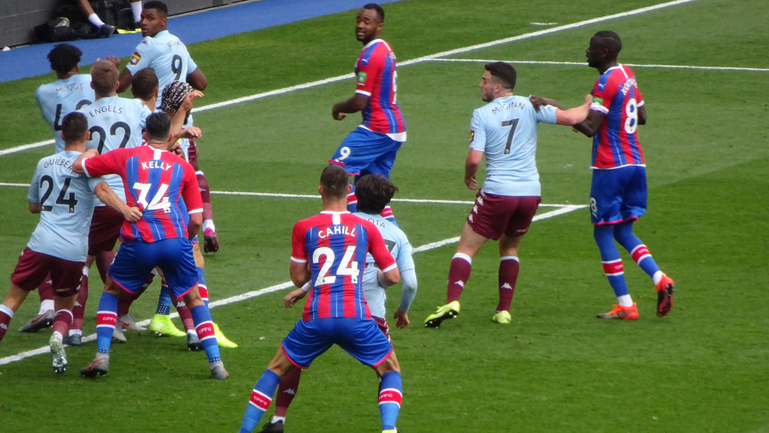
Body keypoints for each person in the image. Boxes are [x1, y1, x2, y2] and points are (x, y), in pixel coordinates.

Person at [423, 62, 592, 328]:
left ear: (497, 86)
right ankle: (503, 310)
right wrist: (589, 101)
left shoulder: (481, 113)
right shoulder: (531, 105)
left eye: (485, 80)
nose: (481, 84)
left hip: (498, 191)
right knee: (510, 247)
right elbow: (573, 117)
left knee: (466, 248)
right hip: (530, 193)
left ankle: (452, 300)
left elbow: (474, 159)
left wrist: (468, 175)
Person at [237, 165, 403, 433]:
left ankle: (246, 430)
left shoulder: (304, 227)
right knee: (390, 369)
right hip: (356, 316)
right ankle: (388, 429)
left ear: (320, 190)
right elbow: (393, 276)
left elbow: (298, 279)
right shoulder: (365, 228)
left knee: (276, 369)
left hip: (317, 316)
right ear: (349, 191)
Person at [73, 112, 228, 380]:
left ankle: (101, 356)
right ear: (169, 136)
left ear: (144, 134)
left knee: (111, 289)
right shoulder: (184, 167)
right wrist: (185, 240)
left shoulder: (127, 156)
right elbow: (196, 219)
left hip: (139, 241)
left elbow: (81, 168)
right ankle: (216, 364)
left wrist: (87, 152)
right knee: (193, 298)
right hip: (175, 241)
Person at [0, 112, 135, 375]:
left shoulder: (44, 162)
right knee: (66, 303)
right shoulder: (89, 166)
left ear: (62, 135)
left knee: (12, 300)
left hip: (41, 243)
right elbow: (103, 192)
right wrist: (125, 209)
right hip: (73, 250)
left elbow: (32, 206)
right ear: (87, 136)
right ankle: (58, 338)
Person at [570, 31, 674, 319]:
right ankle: (660, 279)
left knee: (602, 232)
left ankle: (626, 305)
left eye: (591, 48)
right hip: (636, 165)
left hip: (610, 168)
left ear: (603, 52)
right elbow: (641, 117)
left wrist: (558, 111)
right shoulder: (628, 74)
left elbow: (590, 127)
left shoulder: (606, 81)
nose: (586, 52)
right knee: (623, 230)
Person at [62, 60, 153, 346]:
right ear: (118, 84)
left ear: (92, 86)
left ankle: (77, 327)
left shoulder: (82, 115)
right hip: (134, 198)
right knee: (152, 262)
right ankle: (122, 314)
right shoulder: (137, 108)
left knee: (82, 261)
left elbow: (74, 158)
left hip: (99, 199)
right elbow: (157, 136)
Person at [117, 1, 219, 251]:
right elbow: (201, 82)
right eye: (142, 17)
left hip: (161, 127)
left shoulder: (148, 45)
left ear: (163, 21)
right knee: (192, 172)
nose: (143, 22)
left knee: (158, 179)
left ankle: (166, 233)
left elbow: (120, 84)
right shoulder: (177, 42)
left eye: (150, 18)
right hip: (185, 122)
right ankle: (208, 225)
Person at [19, 43, 96, 334]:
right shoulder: (90, 81)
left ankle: (46, 307)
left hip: (54, 166)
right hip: (85, 166)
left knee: (45, 239)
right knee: (95, 247)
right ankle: (106, 315)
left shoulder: (42, 92)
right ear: (78, 62)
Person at [329, 3, 405, 225]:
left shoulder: (370, 55)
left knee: (336, 173)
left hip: (377, 128)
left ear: (379, 26)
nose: (360, 25)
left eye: (367, 22)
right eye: (358, 20)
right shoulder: (384, 48)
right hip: (394, 128)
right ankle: (395, 239)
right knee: (373, 191)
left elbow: (360, 101)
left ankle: (351, 227)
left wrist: (338, 107)